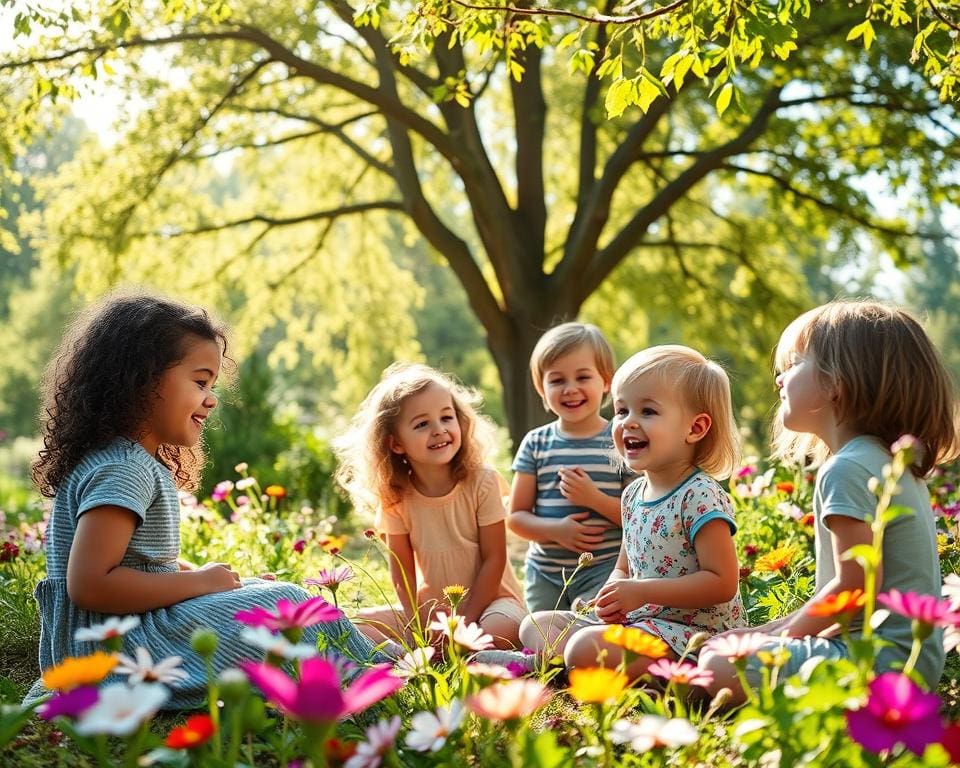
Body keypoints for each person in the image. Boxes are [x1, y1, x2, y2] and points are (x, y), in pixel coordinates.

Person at [25, 293, 381, 709]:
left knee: (261, 593)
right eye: (200, 382)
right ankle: (371, 671)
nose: (211, 399)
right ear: (143, 379)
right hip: (116, 656)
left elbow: (134, 564)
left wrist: (205, 580)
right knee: (285, 604)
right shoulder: (124, 468)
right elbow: (90, 585)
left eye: (212, 385)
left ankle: (362, 658)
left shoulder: (126, 460)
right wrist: (200, 584)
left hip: (127, 637)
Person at [701, 300, 959, 701]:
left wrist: (778, 637)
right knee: (730, 650)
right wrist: (764, 633)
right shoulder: (885, 462)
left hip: (873, 663)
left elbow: (849, 590)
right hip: (908, 660)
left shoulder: (848, 468)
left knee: (717, 663)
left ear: (838, 381)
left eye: (794, 364)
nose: (779, 380)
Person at [519, 345, 746, 676]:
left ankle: (555, 667)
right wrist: (610, 595)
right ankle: (561, 666)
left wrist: (642, 592)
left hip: (688, 637)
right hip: (639, 622)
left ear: (695, 429)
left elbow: (722, 582)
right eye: (622, 410)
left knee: (584, 647)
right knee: (536, 624)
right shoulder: (633, 495)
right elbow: (624, 568)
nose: (628, 423)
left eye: (648, 412)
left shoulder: (700, 496)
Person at [335, 362, 525, 649]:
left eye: (446, 418)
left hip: (492, 605)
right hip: (431, 612)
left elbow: (494, 559)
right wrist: (416, 625)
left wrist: (464, 624)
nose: (439, 430)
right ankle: (423, 653)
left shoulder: (482, 482)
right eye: (422, 424)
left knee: (496, 631)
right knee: (351, 625)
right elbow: (402, 572)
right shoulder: (396, 498)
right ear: (396, 444)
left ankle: (466, 653)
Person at [507, 322, 624, 612]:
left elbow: (638, 516)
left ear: (606, 381)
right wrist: (556, 530)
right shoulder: (536, 443)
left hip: (604, 569)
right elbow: (516, 517)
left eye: (582, 377)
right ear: (542, 389)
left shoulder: (622, 440)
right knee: (539, 632)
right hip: (546, 574)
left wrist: (592, 498)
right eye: (557, 380)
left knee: (589, 626)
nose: (570, 389)